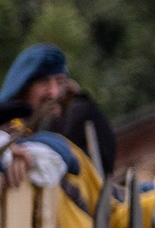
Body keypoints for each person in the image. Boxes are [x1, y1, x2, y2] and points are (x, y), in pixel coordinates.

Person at [0, 43, 115, 173]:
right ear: (23, 89)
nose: (53, 93)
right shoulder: (8, 127)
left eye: (59, 82)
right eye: (43, 82)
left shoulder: (80, 112)